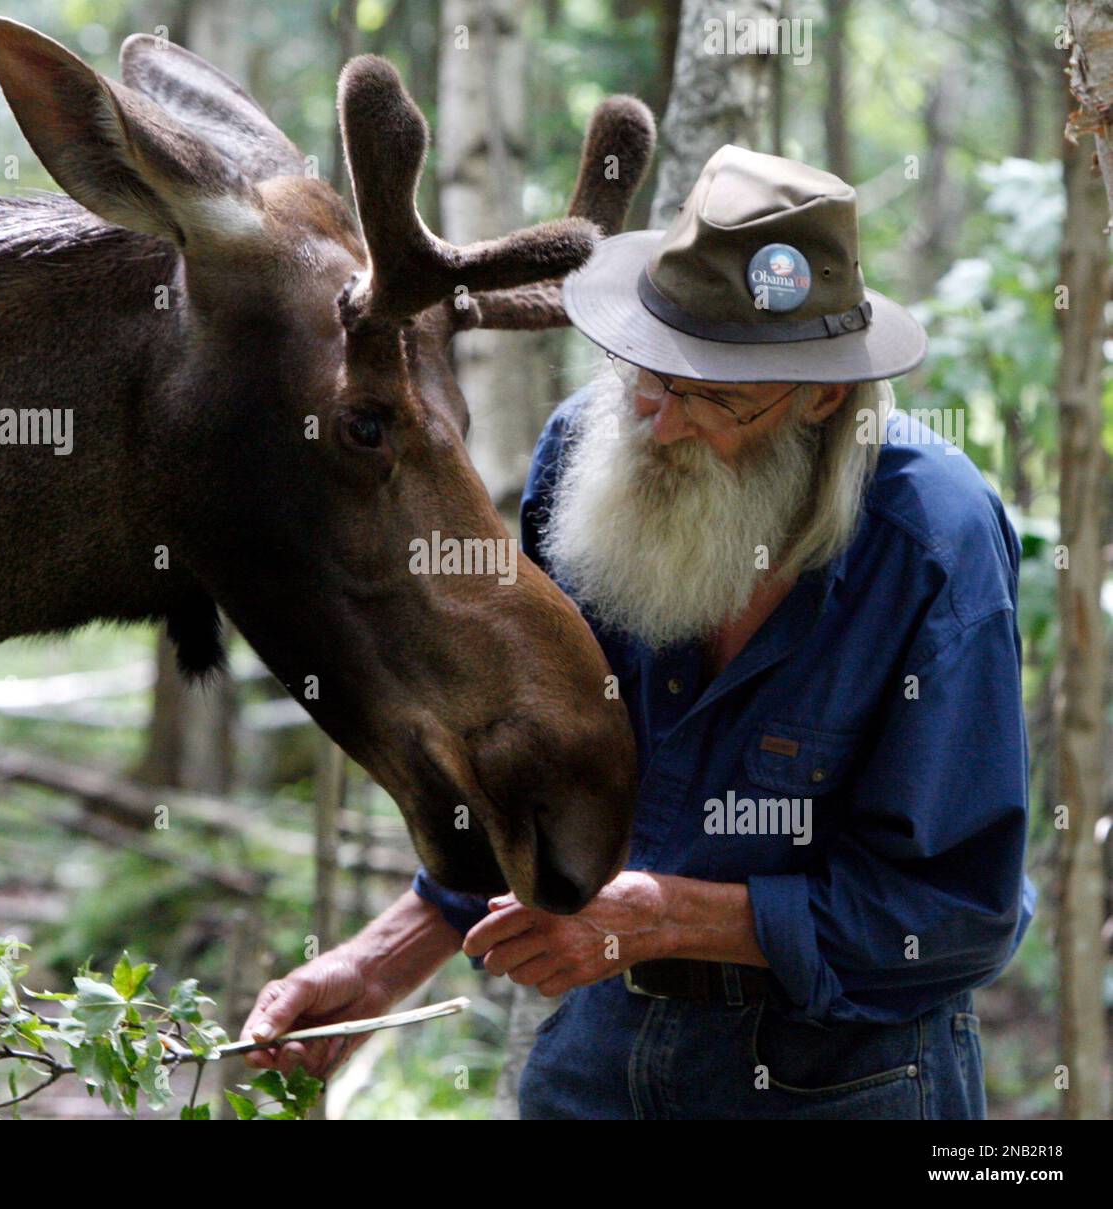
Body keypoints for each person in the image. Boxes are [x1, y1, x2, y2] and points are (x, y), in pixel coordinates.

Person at [242, 145, 1033, 1120]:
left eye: (712, 397)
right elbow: (540, 773)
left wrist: (664, 916)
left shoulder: (932, 544)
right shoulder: (584, 457)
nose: (660, 424)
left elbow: (956, 918)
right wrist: (378, 965)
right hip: (599, 1051)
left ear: (821, 399)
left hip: (845, 1075)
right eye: (648, 375)